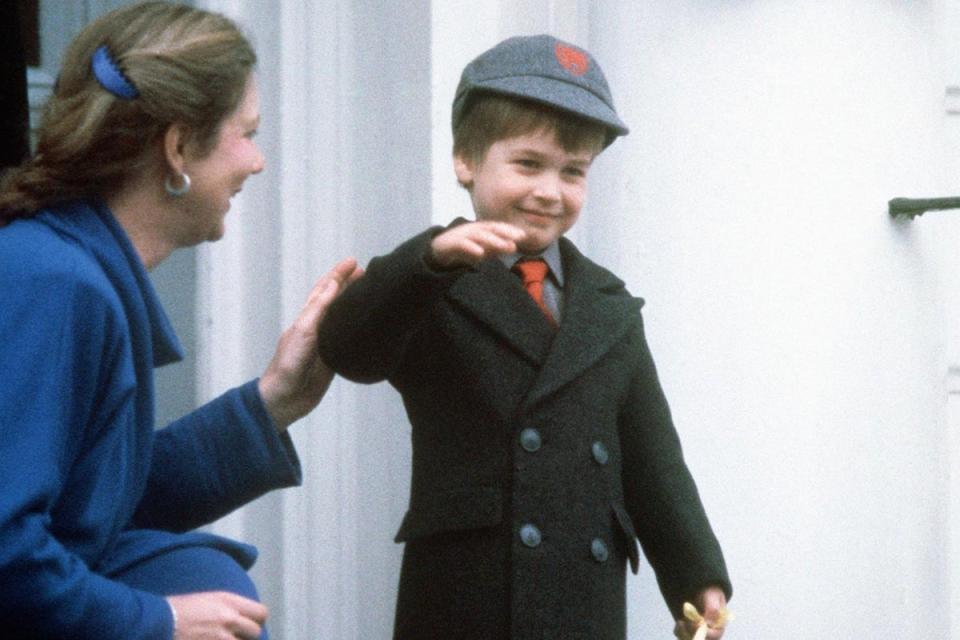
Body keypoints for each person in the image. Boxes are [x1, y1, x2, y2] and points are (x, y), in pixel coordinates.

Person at [316, 34, 732, 639]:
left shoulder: (609, 305)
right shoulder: (430, 277)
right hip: (467, 596)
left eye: (573, 172)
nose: (550, 191)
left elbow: (653, 460)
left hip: (583, 600)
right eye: (528, 164)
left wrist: (697, 579)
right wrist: (427, 262)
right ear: (466, 160)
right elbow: (350, 350)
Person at [0, 3, 359, 639]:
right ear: (178, 147)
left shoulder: (70, 269)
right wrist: (157, 618)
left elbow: (95, 512)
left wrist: (271, 403)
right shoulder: (55, 284)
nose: (258, 161)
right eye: (247, 133)